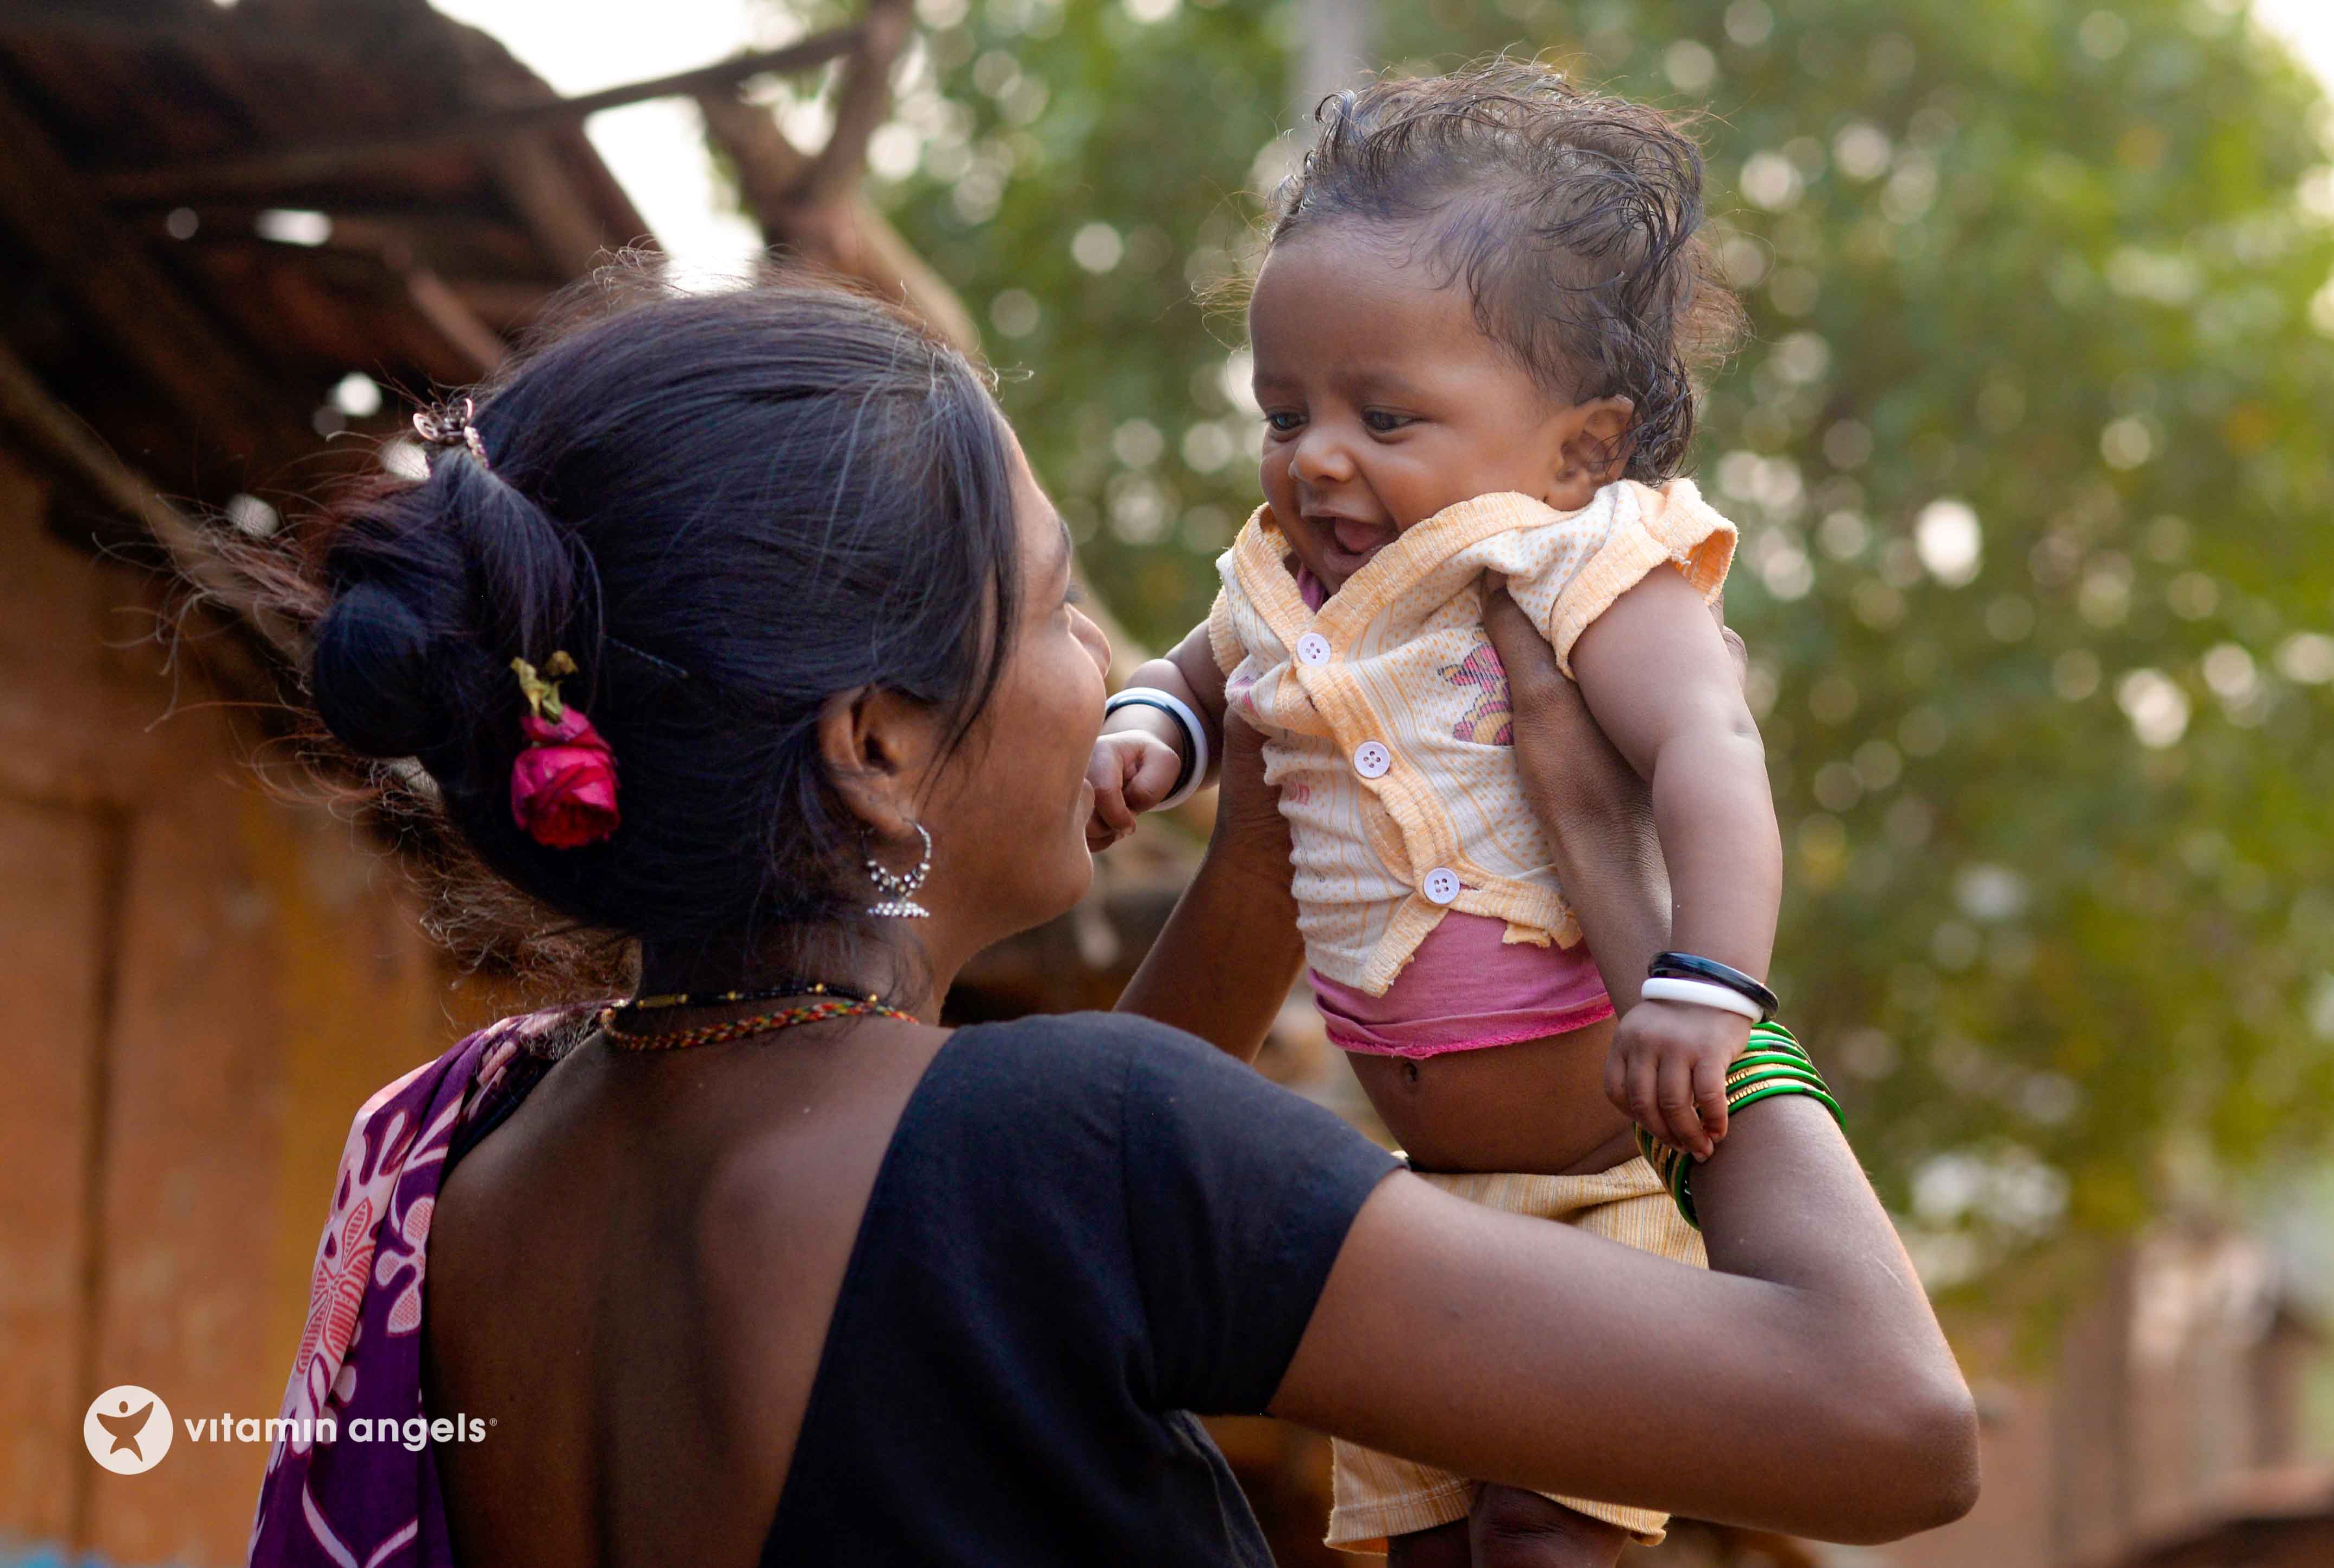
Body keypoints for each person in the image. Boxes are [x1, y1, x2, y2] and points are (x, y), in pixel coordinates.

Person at [243, 275, 1974, 1568]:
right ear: (875, 746)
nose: (1107, 667)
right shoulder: (1074, 1152)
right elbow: (1889, 1425)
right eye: (1059, 606)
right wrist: (1642, 908)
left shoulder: (462, 1159)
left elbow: (1023, 1236)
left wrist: (1289, 823)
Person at [1086, 64, 1780, 1565]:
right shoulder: (1286, 580)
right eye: (1284, 411)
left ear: (1579, 448)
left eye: (1385, 416)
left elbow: (1710, 746)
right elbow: (1193, 671)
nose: (1317, 456)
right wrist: (1148, 732)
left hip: (1603, 1183)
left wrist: (1706, 983)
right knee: (1416, 1539)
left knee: (1544, 1534)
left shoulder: (1586, 561)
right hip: (1417, 1201)